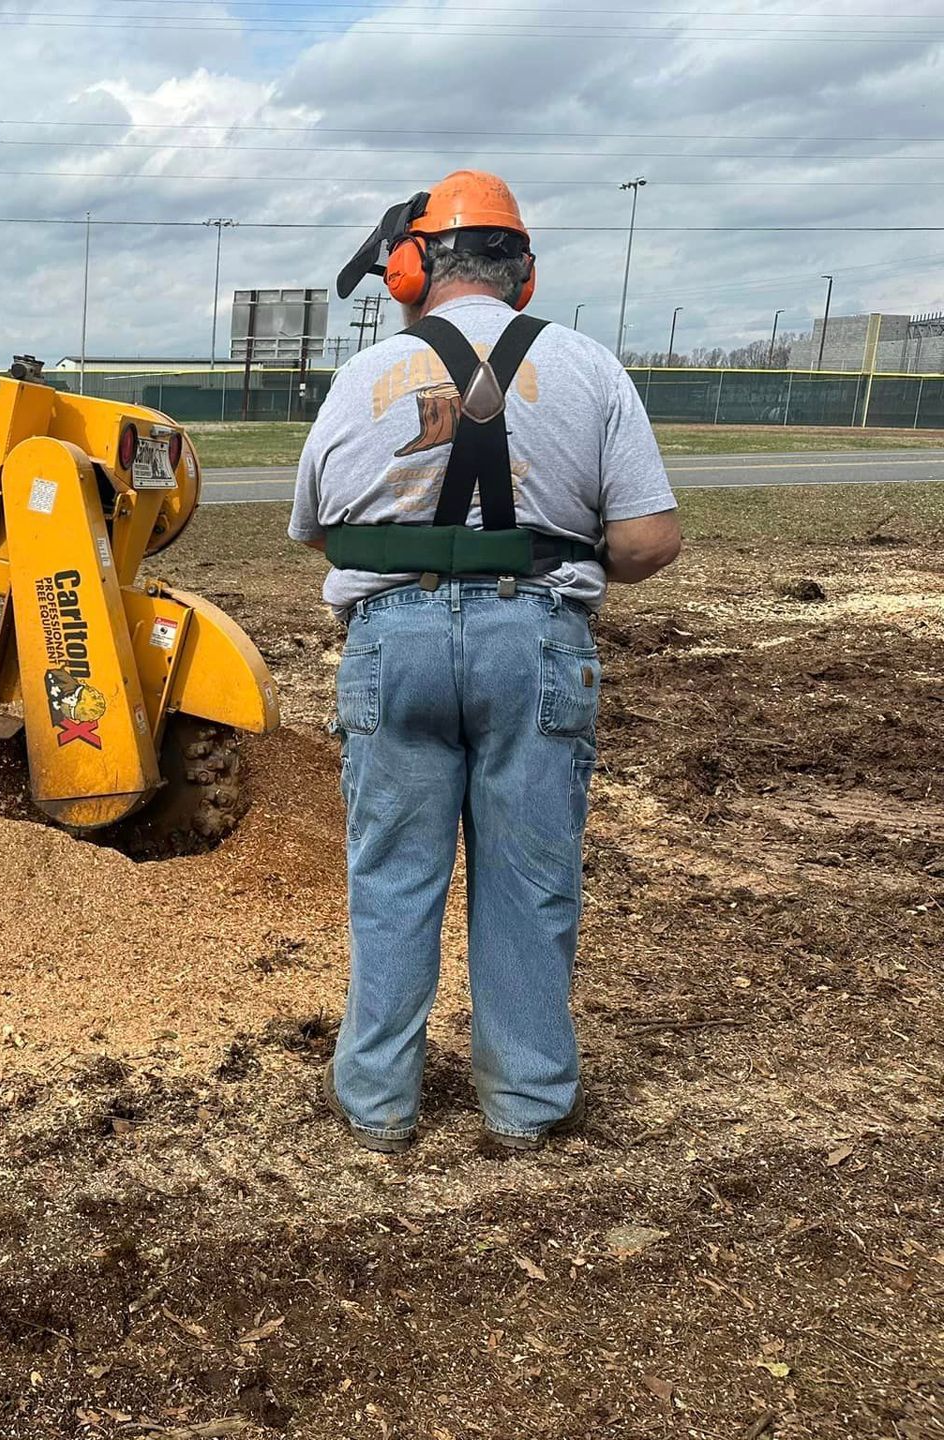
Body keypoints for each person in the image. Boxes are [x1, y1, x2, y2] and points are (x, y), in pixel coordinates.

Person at [289, 170, 681, 1153]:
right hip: (535, 644)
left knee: (392, 883)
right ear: (526, 275)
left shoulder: (357, 381)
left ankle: (378, 1103)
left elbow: (317, 534)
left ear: (414, 268)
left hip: (396, 644)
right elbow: (649, 540)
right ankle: (527, 1107)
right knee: (528, 883)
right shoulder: (591, 369)